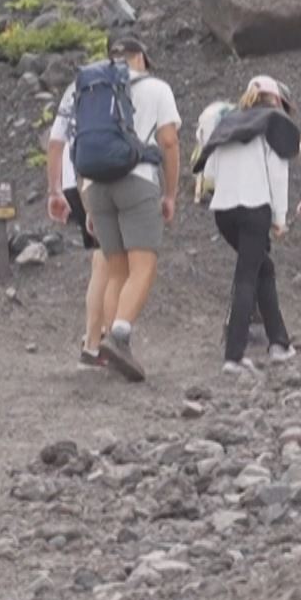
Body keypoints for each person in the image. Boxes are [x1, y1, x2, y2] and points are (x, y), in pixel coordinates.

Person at [51, 34, 181, 383]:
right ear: (141, 57)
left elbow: (70, 142)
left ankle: (110, 348)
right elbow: (168, 140)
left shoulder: (85, 88)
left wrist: (84, 199)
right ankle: (120, 335)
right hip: (137, 179)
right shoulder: (156, 89)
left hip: (95, 185)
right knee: (144, 264)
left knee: (116, 268)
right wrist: (170, 193)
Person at [196, 76, 300, 375]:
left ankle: (279, 342)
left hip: (224, 212)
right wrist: (279, 219)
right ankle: (234, 355)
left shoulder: (228, 123)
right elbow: (277, 175)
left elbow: (211, 169)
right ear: (277, 100)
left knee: (261, 269)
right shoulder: (273, 123)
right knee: (247, 276)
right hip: (254, 208)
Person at [46, 102, 113, 369]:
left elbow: (54, 142)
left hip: (73, 180)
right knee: (109, 264)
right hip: (101, 180)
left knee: (105, 262)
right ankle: (96, 344)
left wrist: (54, 190)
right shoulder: (120, 85)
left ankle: (98, 339)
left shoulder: (74, 91)